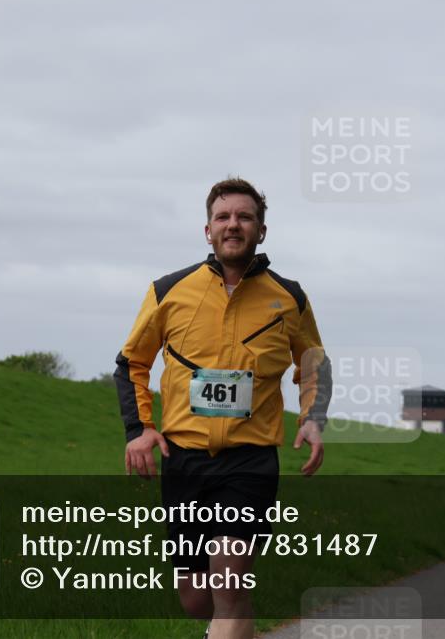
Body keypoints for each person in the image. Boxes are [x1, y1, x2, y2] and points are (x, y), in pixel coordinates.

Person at [113, 178, 332, 639]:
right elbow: (132, 362)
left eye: (245, 217)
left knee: (228, 584)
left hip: (249, 460)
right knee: (197, 598)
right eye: (224, 217)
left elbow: (313, 362)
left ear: (262, 230)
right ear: (208, 230)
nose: (234, 225)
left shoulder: (288, 297)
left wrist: (313, 419)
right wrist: (140, 429)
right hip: (183, 458)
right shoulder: (168, 290)